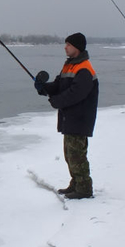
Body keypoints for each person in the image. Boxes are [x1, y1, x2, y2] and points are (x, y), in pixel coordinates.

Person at [34, 32, 99, 199]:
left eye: (68, 44)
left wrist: (57, 101)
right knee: (69, 154)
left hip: (80, 118)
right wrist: (43, 88)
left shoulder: (84, 68)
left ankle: (84, 188)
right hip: (69, 118)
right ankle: (76, 182)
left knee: (77, 155)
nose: (65, 47)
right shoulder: (69, 65)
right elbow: (58, 85)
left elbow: (75, 94)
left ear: (76, 47)